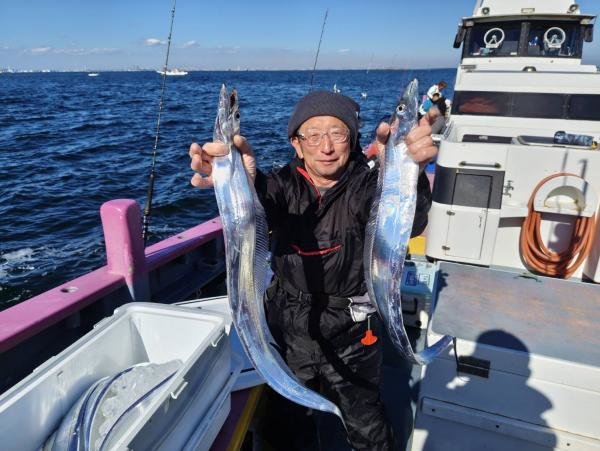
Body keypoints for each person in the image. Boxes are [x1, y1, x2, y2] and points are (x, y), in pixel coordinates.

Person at [189, 91, 437, 450]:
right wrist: (242, 183)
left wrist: (410, 175)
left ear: (352, 139)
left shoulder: (368, 185)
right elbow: (261, 210)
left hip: (354, 329)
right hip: (288, 326)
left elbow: (406, 223)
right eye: (313, 135)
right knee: (286, 429)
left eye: (338, 133)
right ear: (296, 143)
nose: (327, 147)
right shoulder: (279, 184)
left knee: (367, 423)